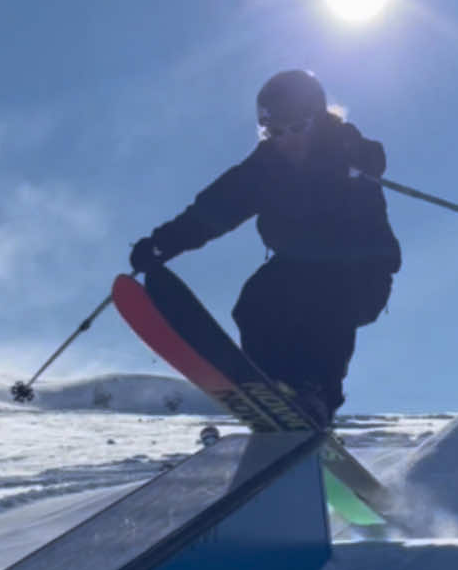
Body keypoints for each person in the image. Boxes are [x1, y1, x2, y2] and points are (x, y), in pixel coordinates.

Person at [130, 69, 401, 423]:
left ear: (318, 120)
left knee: (325, 305)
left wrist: (352, 166)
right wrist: (163, 243)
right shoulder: (265, 168)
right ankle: (275, 389)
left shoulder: (346, 152)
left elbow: (371, 155)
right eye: (274, 131)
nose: (286, 139)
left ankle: (316, 393)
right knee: (256, 303)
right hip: (296, 269)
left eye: (296, 127)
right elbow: (214, 210)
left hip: (361, 272)